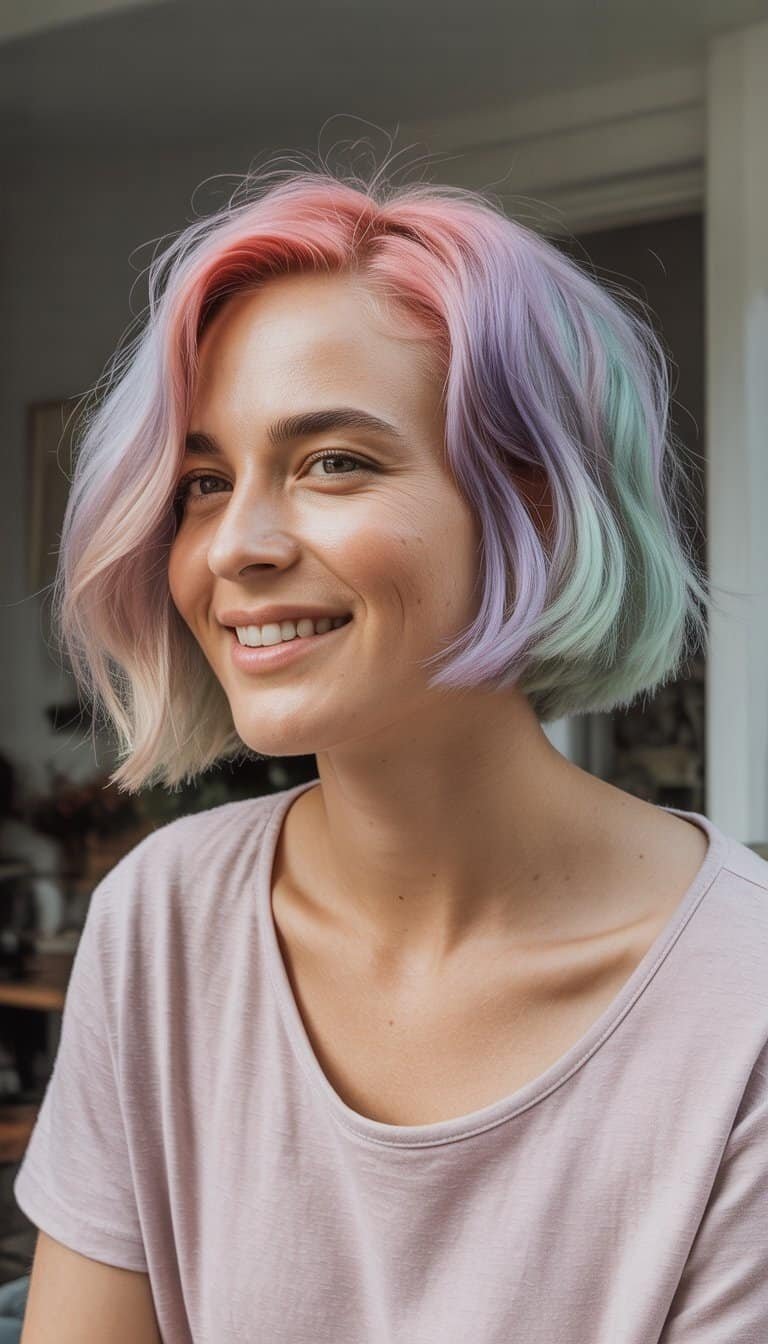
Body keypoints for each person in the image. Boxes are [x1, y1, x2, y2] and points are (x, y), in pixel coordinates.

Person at [11, 154, 768, 1343]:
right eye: (203, 481)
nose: (236, 546)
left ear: (537, 506)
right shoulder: (162, 919)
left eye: (333, 461)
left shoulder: (744, 1004)